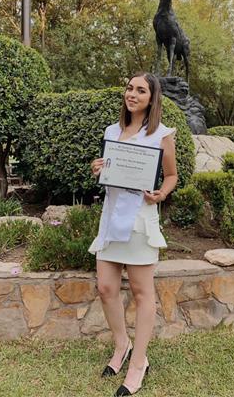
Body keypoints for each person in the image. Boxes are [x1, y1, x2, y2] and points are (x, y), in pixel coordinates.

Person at [89, 71, 178, 396]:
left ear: (152, 99)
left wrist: (161, 193)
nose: (132, 94)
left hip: (140, 221)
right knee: (106, 288)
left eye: (140, 90)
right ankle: (122, 344)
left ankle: (138, 362)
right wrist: (98, 168)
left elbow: (171, 175)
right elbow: (108, 173)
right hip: (111, 219)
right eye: (129, 88)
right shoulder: (112, 131)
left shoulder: (162, 134)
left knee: (142, 294)